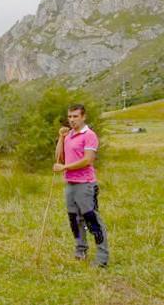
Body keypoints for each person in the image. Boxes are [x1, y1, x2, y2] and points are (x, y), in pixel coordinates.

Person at [53, 104, 109, 267]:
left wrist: (64, 168)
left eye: (75, 116)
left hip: (85, 185)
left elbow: (88, 160)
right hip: (70, 183)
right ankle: (81, 251)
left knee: (92, 221)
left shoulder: (89, 135)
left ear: (83, 117)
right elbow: (60, 157)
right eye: (69, 117)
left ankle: (102, 257)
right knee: (75, 220)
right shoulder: (68, 135)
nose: (72, 120)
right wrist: (61, 138)